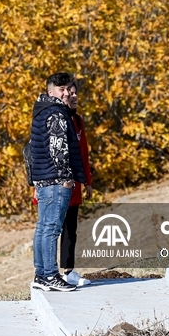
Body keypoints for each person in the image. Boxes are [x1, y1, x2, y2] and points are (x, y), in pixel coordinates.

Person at [30, 72, 87, 292]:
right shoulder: (56, 114)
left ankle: (40, 274)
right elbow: (58, 149)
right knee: (51, 229)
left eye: (67, 89)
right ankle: (50, 275)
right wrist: (66, 178)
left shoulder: (42, 110)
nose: (65, 93)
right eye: (60, 89)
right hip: (55, 180)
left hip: (43, 178)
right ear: (50, 91)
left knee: (43, 228)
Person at [61, 82, 93, 287]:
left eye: (75, 93)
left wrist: (87, 181)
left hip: (73, 186)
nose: (73, 96)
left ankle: (68, 272)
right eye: (68, 93)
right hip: (55, 186)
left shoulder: (78, 121)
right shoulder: (56, 119)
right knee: (50, 229)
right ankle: (45, 273)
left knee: (70, 229)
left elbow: (83, 153)